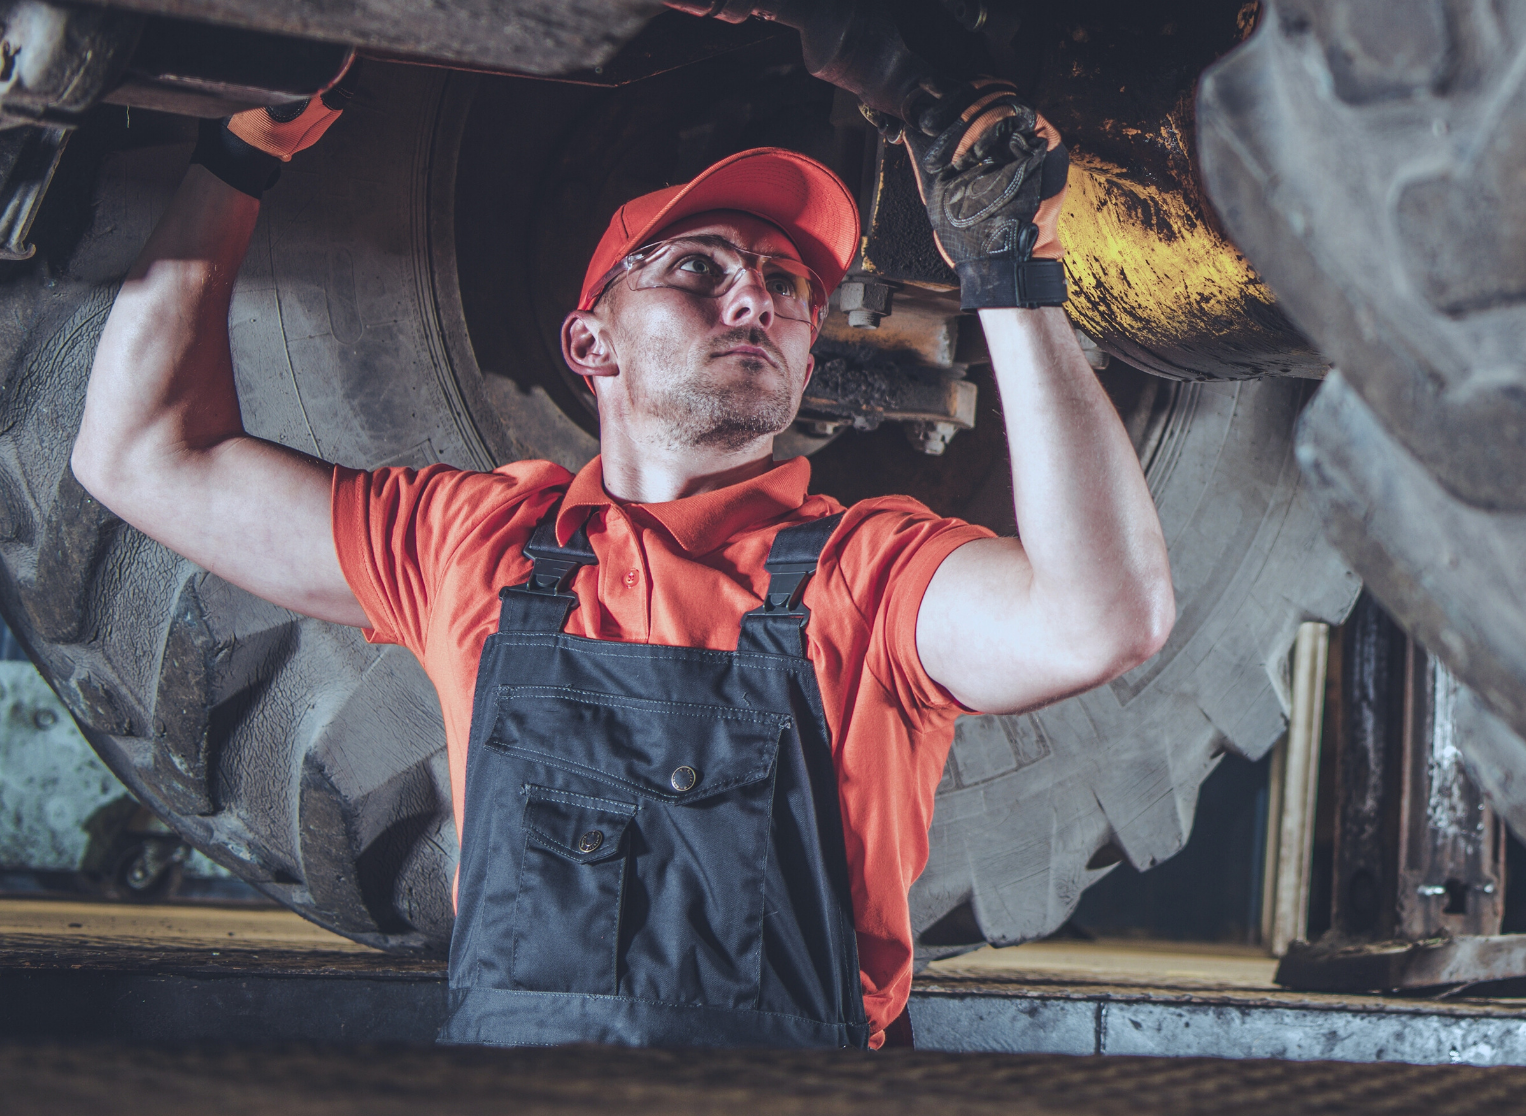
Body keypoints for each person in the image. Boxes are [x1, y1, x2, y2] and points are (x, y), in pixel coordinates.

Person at [70, 78, 1176, 1050]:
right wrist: (237, 156)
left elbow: (1101, 618)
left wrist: (1009, 281)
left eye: (788, 284)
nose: (757, 296)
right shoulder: (477, 545)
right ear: (589, 344)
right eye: (700, 267)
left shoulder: (869, 573)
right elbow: (145, 453)